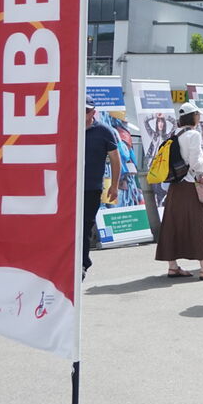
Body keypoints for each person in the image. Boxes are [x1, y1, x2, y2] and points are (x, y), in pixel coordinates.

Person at [154, 101, 203, 281]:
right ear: (194, 117)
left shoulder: (174, 134)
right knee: (198, 224)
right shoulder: (193, 135)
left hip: (175, 186)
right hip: (191, 185)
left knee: (172, 224)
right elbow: (195, 161)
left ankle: (172, 266)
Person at [82, 100, 120, 277]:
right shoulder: (68, 127)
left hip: (92, 187)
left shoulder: (104, 131)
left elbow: (115, 158)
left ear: (93, 112)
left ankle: (82, 263)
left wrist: (114, 185)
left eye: (87, 111)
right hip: (68, 187)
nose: (83, 114)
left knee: (86, 224)